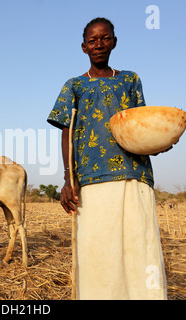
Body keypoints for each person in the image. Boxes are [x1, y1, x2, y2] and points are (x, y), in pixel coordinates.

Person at [47, 17, 167, 300]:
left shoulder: (130, 79)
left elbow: (142, 125)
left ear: (115, 41)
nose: (99, 44)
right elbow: (67, 132)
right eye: (92, 40)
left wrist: (159, 144)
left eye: (105, 38)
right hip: (91, 178)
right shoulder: (74, 86)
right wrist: (68, 178)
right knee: (98, 250)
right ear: (84, 48)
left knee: (140, 246)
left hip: (133, 175)